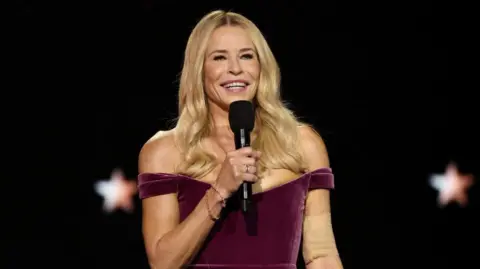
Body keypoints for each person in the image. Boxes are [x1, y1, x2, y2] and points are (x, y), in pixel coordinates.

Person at [137, 10, 343, 269]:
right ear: (199, 69)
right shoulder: (164, 151)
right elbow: (162, 263)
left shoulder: (302, 143)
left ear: (262, 66)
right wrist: (219, 192)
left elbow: (321, 255)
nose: (235, 68)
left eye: (247, 56)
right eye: (219, 57)